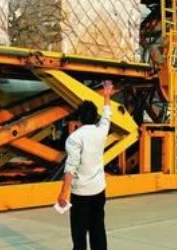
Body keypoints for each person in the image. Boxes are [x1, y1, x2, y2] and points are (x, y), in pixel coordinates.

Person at [58, 80, 114, 250]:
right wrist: (107, 96)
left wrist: (64, 193)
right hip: (98, 190)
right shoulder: (101, 132)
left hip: (81, 194)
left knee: (79, 234)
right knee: (98, 229)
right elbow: (107, 116)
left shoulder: (74, 138)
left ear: (79, 118)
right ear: (94, 117)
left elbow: (71, 167)